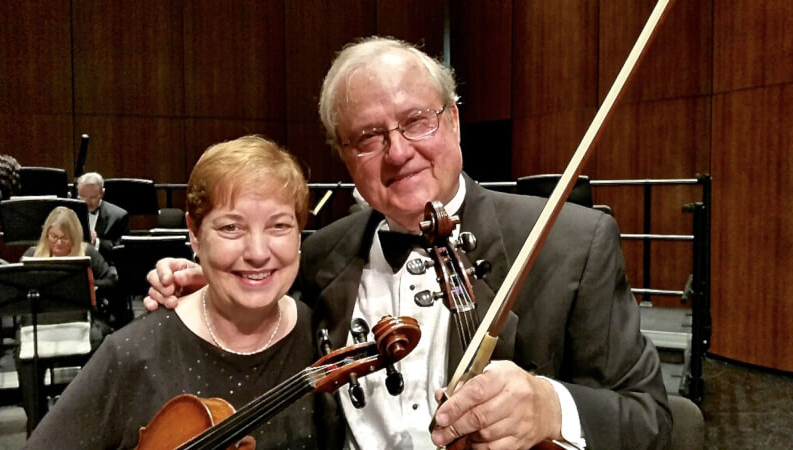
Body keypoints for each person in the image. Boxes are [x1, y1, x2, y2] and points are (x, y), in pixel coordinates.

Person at [146, 37, 671, 449]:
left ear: (455, 121)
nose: (398, 152)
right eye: (370, 137)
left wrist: (549, 407)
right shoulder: (323, 256)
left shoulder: (570, 244)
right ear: (345, 157)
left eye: (417, 121)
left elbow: (651, 420)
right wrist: (216, 284)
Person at [26, 135, 326, 449]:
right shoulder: (133, 352)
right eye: (230, 228)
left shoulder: (324, 331)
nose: (258, 252)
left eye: (279, 226)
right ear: (194, 236)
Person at [17, 205, 119, 432]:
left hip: (80, 322)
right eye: (54, 237)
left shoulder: (88, 252)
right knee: (23, 353)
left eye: (65, 238)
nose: (60, 243)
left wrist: (89, 285)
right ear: (46, 235)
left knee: (99, 341)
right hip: (43, 326)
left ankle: (92, 419)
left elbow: (111, 280)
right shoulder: (31, 255)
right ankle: (37, 425)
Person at [76, 171, 129, 261]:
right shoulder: (70, 211)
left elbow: (121, 250)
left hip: (104, 265)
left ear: (102, 193)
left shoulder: (118, 215)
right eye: (82, 196)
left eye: (92, 197)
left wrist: (96, 242)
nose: (87, 202)